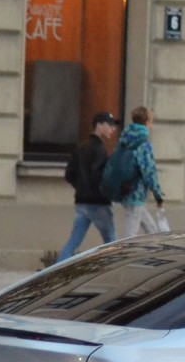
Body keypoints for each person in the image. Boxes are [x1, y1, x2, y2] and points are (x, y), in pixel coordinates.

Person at [58, 111, 119, 263]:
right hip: (98, 203)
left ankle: (56, 270)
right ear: (99, 126)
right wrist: (105, 193)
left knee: (74, 241)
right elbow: (98, 177)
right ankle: (115, 268)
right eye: (109, 125)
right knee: (111, 240)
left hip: (81, 201)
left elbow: (69, 174)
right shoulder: (99, 149)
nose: (113, 129)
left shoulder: (81, 147)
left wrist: (81, 188)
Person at [114, 106, 165, 236]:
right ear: (147, 122)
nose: (151, 126)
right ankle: (124, 256)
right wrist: (158, 194)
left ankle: (154, 253)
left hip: (125, 189)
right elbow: (149, 171)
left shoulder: (124, 140)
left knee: (151, 230)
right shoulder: (143, 143)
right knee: (130, 237)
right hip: (135, 192)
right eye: (151, 122)